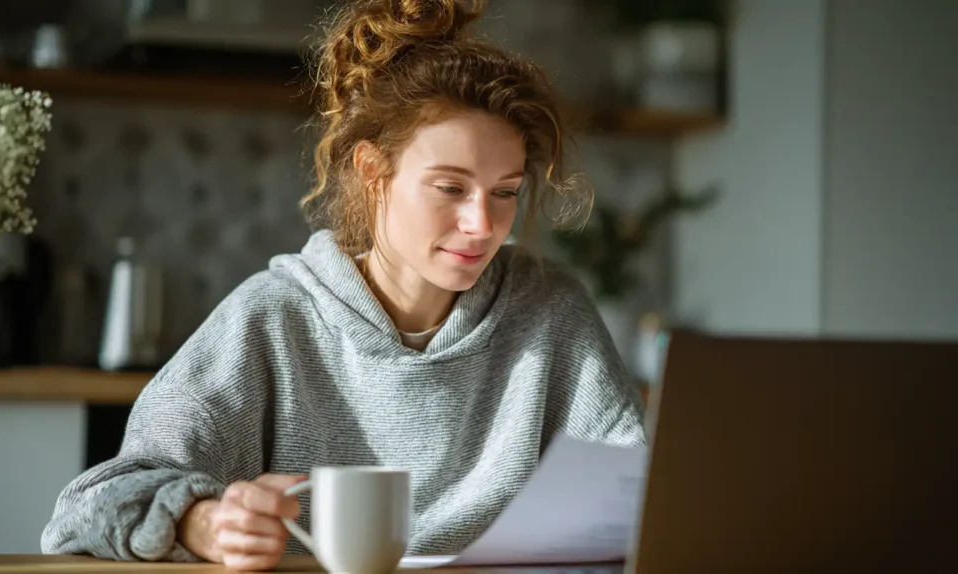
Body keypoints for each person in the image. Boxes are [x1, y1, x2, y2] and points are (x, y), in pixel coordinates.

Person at [41, 0, 646, 570]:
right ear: (373, 172)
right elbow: (85, 509)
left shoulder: (550, 311)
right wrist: (207, 523)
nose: (482, 224)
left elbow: (643, 495)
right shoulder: (272, 318)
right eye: (450, 188)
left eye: (505, 193)